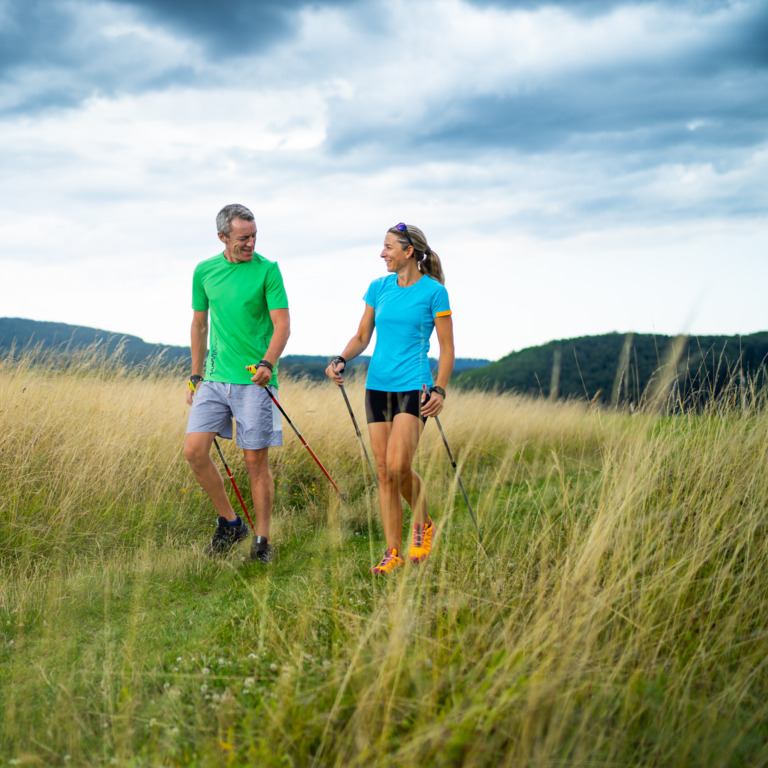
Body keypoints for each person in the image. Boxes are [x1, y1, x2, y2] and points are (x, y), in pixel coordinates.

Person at [326, 222, 454, 574]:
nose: (382, 253)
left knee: (399, 467)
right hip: (377, 387)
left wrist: (440, 388)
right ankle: (392, 552)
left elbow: (447, 349)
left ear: (408, 251)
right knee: (384, 472)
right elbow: (362, 335)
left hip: (415, 387)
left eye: (388, 247)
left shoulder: (434, 293)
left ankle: (423, 524)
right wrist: (341, 358)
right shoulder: (378, 288)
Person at [184, 204, 290, 561]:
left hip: (253, 381)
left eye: (254, 236)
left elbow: (283, 326)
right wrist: (195, 376)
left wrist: (268, 363)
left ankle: (262, 542)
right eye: (243, 238)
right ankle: (231, 524)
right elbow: (199, 326)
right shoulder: (204, 271)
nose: (251, 244)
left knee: (255, 463)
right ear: (223, 237)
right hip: (213, 380)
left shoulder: (268, 271)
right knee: (194, 451)